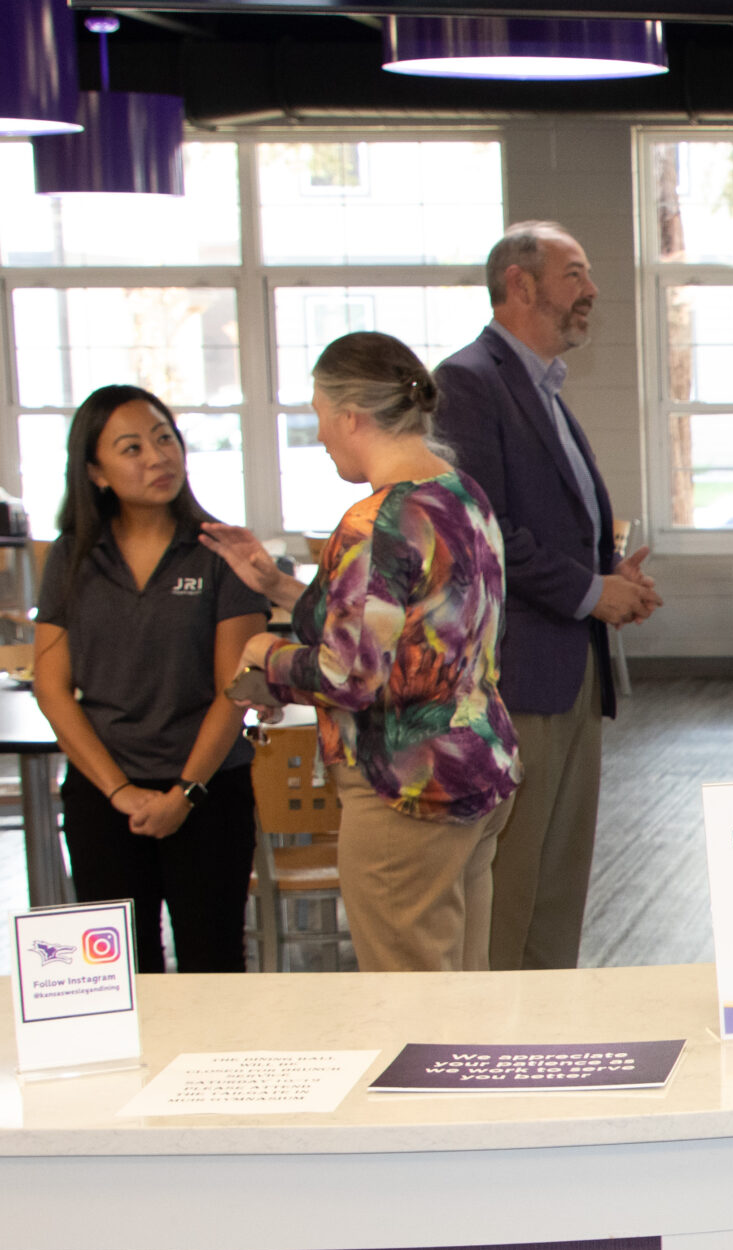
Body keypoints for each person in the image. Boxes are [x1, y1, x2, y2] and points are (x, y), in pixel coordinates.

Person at [204, 333, 518, 974]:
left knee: (412, 1000)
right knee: (466, 989)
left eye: (320, 414)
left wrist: (266, 655)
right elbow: (401, 623)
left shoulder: (375, 521)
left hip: (405, 789)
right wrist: (279, 589)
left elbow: (351, 675)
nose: (320, 435)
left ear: (350, 416)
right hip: (476, 765)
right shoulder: (460, 494)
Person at [435, 221, 659, 972]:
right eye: (575, 273)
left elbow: (552, 520)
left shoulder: (543, 387)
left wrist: (613, 578)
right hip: (519, 671)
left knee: (559, 878)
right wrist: (592, 591)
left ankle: (554, 1015)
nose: (592, 289)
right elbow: (485, 527)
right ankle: (504, 1026)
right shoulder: (469, 381)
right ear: (521, 285)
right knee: (514, 878)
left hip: (571, 662)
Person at [28, 385, 265, 972]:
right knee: (118, 976)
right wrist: (119, 791)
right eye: (131, 448)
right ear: (96, 472)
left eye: (164, 439)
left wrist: (184, 793)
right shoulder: (72, 557)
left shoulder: (221, 551)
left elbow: (235, 689)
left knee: (214, 967)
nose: (158, 457)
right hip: (104, 794)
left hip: (208, 792)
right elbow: (52, 688)